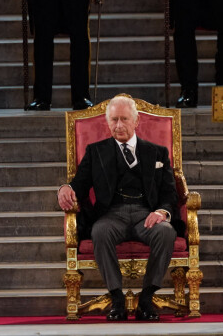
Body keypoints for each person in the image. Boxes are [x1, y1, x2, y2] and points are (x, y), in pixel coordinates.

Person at [57, 95, 179, 322]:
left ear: (137, 121)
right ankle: (117, 298)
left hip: (146, 214)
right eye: (114, 120)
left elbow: (169, 192)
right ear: (108, 121)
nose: (119, 125)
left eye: (124, 119)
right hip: (112, 214)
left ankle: (146, 297)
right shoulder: (95, 151)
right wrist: (66, 187)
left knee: (166, 232)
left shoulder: (157, 152)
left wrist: (162, 212)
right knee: (99, 232)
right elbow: (79, 184)